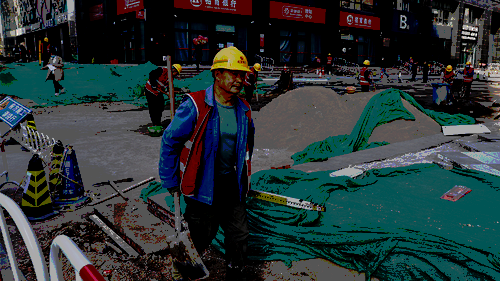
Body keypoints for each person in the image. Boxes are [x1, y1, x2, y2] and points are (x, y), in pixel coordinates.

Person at [159, 46, 254, 281]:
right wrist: (171, 180)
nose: (239, 80)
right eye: (234, 74)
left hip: (231, 183)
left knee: (239, 235)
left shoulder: (244, 109)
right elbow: (170, 141)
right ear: (217, 74)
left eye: (242, 75)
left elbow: (246, 147)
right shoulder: (195, 105)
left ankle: (236, 273)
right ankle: (183, 272)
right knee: (201, 237)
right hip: (202, 185)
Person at [145, 64, 182, 129]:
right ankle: (155, 123)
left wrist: (169, 93)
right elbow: (152, 74)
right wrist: (153, 85)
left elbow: (166, 87)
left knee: (161, 106)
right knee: (153, 107)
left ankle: (158, 122)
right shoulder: (162, 70)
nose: (176, 75)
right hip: (150, 90)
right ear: (173, 70)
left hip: (158, 92)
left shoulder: (171, 78)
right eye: (177, 73)